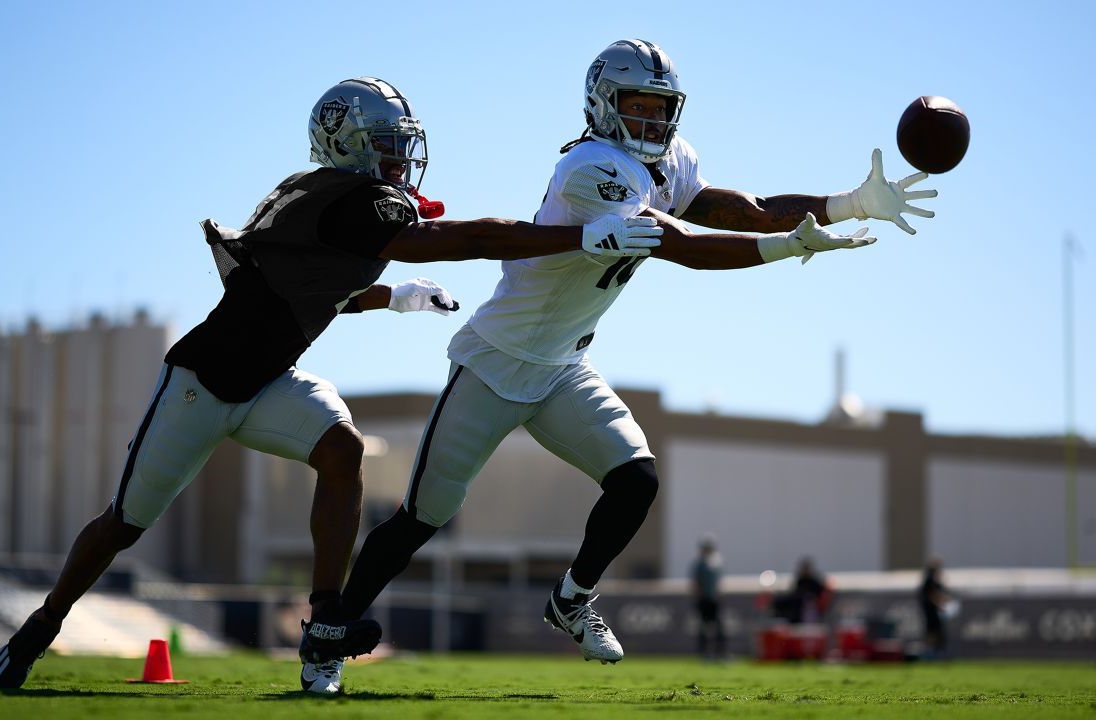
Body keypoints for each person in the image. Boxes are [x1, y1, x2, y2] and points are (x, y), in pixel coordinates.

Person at [0, 76, 664, 696]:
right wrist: (578, 236)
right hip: (203, 383)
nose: (400, 156)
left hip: (270, 381)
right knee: (124, 524)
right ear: (347, 143)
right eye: (386, 144)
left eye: (403, 142)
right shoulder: (354, 202)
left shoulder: (327, 196)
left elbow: (308, 289)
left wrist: (389, 299)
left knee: (343, 450)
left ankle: (326, 622)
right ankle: (38, 629)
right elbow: (466, 240)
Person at [334, 38, 936, 676]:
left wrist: (848, 205)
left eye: (661, 106)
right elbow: (679, 243)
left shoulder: (670, 160)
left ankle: (573, 599)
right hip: (495, 360)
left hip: (564, 364)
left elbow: (739, 210)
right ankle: (331, 635)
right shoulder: (589, 166)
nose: (651, 120)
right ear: (602, 105)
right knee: (420, 520)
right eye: (637, 104)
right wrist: (789, 249)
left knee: (636, 479)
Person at [691, 534, 725, 660]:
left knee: (719, 627)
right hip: (704, 600)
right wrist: (699, 598)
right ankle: (704, 653)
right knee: (703, 628)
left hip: (714, 600)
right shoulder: (699, 564)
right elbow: (696, 583)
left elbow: (718, 582)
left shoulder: (716, 562)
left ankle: (720, 653)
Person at [919, 556, 951, 657]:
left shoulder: (935, 581)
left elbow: (942, 593)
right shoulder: (929, 580)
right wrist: (940, 604)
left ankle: (934, 653)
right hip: (931, 611)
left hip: (936, 612)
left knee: (937, 632)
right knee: (932, 632)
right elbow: (932, 595)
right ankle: (930, 654)